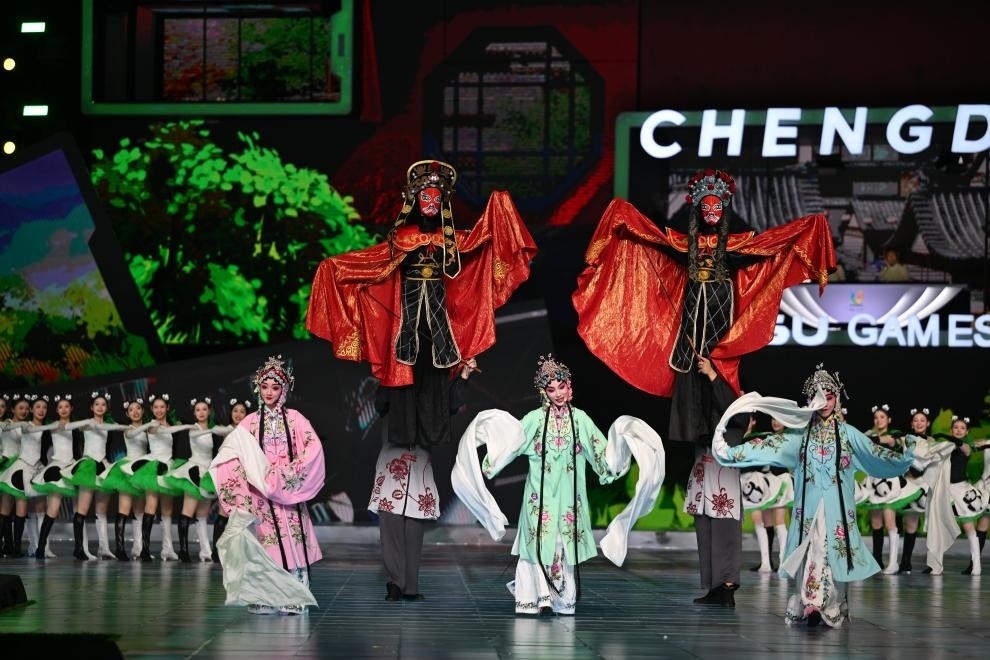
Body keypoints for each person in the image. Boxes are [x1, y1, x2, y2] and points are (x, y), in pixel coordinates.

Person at [307, 159, 537, 601]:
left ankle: (406, 584)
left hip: (437, 349)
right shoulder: (402, 240)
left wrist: (499, 208)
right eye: (424, 196)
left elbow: (482, 248)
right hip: (406, 346)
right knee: (395, 515)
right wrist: (337, 271)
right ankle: (398, 582)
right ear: (414, 201)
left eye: (437, 197)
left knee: (414, 518)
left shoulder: (453, 241)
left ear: (443, 203)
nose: (431, 202)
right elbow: (369, 265)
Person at [573, 168, 835, 445]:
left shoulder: (734, 246)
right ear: (697, 209)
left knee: (719, 368)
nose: (711, 212)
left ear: (724, 208)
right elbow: (655, 239)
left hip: (721, 316)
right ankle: (695, 440)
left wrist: (808, 227)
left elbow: (768, 245)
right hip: (690, 319)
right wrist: (626, 217)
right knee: (689, 374)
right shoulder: (685, 245)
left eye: (716, 207)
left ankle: (728, 429)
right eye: (706, 207)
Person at [451, 355, 665, 615]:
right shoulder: (534, 419)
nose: (558, 394)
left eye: (561, 387)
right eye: (551, 389)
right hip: (538, 497)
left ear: (569, 386)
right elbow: (512, 443)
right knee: (537, 545)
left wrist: (622, 446)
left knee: (562, 545)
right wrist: (491, 457)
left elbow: (600, 456)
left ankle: (560, 599)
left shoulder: (581, 420)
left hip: (569, 498)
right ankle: (536, 599)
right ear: (545, 392)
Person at [711, 364, 915, 628]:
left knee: (831, 551)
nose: (825, 403)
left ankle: (828, 602)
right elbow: (768, 447)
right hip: (809, 508)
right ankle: (812, 603)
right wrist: (727, 451)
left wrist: (906, 457)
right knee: (813, 549)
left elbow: (875, 454)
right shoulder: (800, 436)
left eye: (829, 397)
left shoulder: (848, 434)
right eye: (818, 398)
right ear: (810, 401)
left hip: (837, 508)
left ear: (837, 399)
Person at [209, 355, 325, 615]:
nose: (269, 392)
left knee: (293, 540)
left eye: (275, 387)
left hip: (288, 490)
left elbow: (313, 448)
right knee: (264, 542)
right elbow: (231, 451)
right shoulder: (249, 422)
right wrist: (252, 478)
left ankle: (297, 596)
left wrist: (287, 475)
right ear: (258, 388)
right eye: (264, 387)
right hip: (260, 492)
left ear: (284, 389)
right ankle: (265, 597)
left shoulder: (295, 418)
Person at [368, 357, 475, 601]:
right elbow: (380, 403)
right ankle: (396, 582)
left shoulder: (434, 382)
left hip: (419, 460)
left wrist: (464, 375)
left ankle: (410, 587)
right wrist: (388, 374)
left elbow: (451, 404)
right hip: (393, 456)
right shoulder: (394, 376)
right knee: (390, 520)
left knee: (414, 524)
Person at [681, 356, 750, 606]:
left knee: (725, 527)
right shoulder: (704, 393)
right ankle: (713, 586)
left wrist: (713, 375)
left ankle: (727, 585)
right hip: (704, 464)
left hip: (723, 468)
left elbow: (737, 418)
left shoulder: (738, 400)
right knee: (705, 527)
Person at [166, 397, 232, 563]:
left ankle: (205, 551)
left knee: (202, 514)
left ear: (209, 411)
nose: (201, 412)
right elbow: (197, 434)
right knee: (187, 511)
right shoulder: (194, 428)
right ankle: (183, 551)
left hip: (207, 472)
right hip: (193, 471)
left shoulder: (213, 428)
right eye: (198, 410)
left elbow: (226, 431)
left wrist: (222, 430)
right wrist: (212, 430)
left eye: (204, 409)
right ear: (194, 413)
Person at [64, 392, 129, 560]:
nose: (100, 407)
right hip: (88, 466)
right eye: (97, 404)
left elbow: (121, 428)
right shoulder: (87, 424)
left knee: (102, 510)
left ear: (107, 408)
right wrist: (87, 422)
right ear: (91, 407)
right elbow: (67, 427)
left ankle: (103, 548)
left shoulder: (108, 424)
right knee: (83, 509)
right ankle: (79, 548)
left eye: (103, 404)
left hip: (102, 465)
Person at [861, 404, 920, 574]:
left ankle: (893, 563)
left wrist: (865, 440)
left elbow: (886, 441)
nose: (878, 420)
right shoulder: (869, 435)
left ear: (889, 420)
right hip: (873, 482)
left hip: (889, 483)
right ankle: (877, 560)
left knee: (889, 522)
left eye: (882, 417)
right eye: (876, 417)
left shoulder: (893, 435)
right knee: (876, 522)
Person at [899, 407, 956, 575]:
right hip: (911, 485)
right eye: (916, 420)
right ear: (912, 423)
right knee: (911, 523)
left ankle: (934, 563)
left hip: (928, 486)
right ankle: (905, 562)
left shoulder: (933, 443)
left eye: (922, 420)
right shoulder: (906, 439)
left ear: (928, 423)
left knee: (933, 524)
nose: (919, 423)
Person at [101, 397, 156, 561]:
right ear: (127, 414)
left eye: (138, 408)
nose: (135, 412)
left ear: (143, 410)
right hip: (127, 469)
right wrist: (149, 424)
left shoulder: (149, 430)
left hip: (142, 469)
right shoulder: (128, 428)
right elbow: (133, 434)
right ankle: (119, 548)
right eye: (131, 409)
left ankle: (138, 547)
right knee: (124, 509)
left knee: (140, 510)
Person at [740, 415, 793, 573]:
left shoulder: (791, 438)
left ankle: (783, 563)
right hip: (767, 481)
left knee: (780, 521)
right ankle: (766, 563)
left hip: (782, 481)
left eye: (779, 419)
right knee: (765, 521)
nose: (775, 422)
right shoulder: (765, 437)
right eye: (773, 419)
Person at [31, 394, 80, 559]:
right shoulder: (53, 425)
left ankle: (81, 549)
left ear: (71, 408)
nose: (63, 409)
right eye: (60, 407)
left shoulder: (76, 427)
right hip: (57, 468)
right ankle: (41, 547)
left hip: (72, 468)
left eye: (66, 406)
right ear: (57, 410)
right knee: (53, 509)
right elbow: (34, 429)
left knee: (79, 510)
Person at [942, 416, 988, 575]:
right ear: (951, 430)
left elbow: (965, 448)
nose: (959, 430)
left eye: (962, 428)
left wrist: (950, 438)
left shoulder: (966, 447)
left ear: (967, 431)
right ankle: (934, 564)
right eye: (956, 427)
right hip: (944, 490)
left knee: (969, 528)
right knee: (937, 527)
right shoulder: (945, 447)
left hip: (960, 490)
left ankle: (976, 565)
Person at [208, 398, 252, 562]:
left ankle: (236, 550)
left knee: (241, 512)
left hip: (243, 475)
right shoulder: (227, 429)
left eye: (242, 411)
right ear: (230, 413)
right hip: (226, 474)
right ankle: (216, 551)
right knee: (223, 511)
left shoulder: (249, 433)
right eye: (235, 411)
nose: (238, 414)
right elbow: (215, 430)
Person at [0, 395, 31, 556]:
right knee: (5, 508)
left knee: (20, 508)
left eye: (26, 408)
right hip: (7, 468)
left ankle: (15, 547)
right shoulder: (6, 424)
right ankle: (7, 545)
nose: (24, 411)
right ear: (12, 409)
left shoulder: (28, 425)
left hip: (21, 469)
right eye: (20, 408)